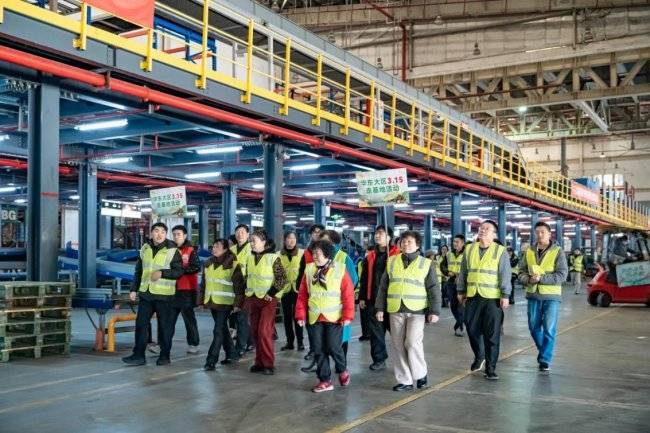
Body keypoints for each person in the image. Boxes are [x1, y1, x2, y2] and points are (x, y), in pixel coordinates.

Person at [375, 230, 441, 391]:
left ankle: (420, 374)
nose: (405, 244)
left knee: (412, 343)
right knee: (397, 345)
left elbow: (433, 288)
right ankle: (405, 380)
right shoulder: (392, 261)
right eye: (403, 241)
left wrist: (435, 311)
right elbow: (383, 287)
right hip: (395, 308)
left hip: (417, 310)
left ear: (417, 245)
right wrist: (380, 308)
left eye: (409, 241)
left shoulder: (426, 264)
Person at [295, 240, 355, 393]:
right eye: (313, 253)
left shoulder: (339, 270)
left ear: (327, 254)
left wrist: (347, 316)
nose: (314, 256)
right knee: (318, 349)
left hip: (334, 317)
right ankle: (324, 380)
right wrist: (300, 315)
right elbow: (302, 295)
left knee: (334, 347)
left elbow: (348, 294)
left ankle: (342, 369)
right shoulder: (309, 270)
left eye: (318, 253)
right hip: (315, 317)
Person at [456, 220, 511, 380]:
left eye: (487, 229)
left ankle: (490, 368)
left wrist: (505, 295)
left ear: (494, 234)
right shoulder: (469, 249)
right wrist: (461, 290)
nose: (482, 230)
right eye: (481, 228)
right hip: (473, 296)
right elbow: (463, 271)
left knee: (492, 334)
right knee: (472, 330)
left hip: (492, 299)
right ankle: (480, 355)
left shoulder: (500, 251)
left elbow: (505, 274)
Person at [123, 222, 183, 366]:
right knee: (141, 325)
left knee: (164, 327)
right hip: (146, 294)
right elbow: (139, 271)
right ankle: (138, 355)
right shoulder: (145, 248)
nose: (159, 234)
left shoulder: (173, 251)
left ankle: (164, 356)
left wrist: (162, 273)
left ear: (166, 234)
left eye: (163, 232)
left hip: (164, 296)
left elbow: (179, 272)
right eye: (156, 231)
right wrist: (133, 289)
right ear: (151, 233)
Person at [518, 222, 568, 373]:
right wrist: (529, 279)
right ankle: (544, 351)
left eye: (542, 232)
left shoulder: (557, 251)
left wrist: (541, 278)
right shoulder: (529, 251)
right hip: (533, 295)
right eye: (537, 232)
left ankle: (545, 359)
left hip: (551, 296)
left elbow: (562, 275)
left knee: (549, 328)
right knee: (533, 328)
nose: (539, 235)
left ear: (549, 234)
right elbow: (521, 272)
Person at [197, 239, 245, 370]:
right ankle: (232, 354)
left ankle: (211, 360)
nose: (214, 248)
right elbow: (204, 284)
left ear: (225, 249)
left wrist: (237, 304)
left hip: (226, 304)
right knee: (222, 329)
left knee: (217, 331)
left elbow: (239, 286)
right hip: (213, 302)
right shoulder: (208, 263)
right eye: (213, 246)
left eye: (217, 246)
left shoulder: (233, 265)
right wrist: (200, 301)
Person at [245, 229, 287, 375]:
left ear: (264, 242)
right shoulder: (249, 258)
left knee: (264, 331)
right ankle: (259, 363)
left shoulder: (273, 258)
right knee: (255, 331)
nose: (251, 243)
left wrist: (271, 293)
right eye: (250, 241)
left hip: (268, 299)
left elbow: (282, 278)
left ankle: (268, 364)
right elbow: (248, 278)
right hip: (253, 298)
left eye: (254, 241)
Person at [359, 225, 399, 371]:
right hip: (374, 301)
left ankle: (404, 359)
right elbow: (364, 278)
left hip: (393, 300)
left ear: (389, 237)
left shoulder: (398, 255)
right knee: (376, 333)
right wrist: (362, 297)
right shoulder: (370, 256)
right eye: (376, 233)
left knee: (397, 333)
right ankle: (379, 359)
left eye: (381, 233)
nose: (377, 236)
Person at [319, 229, 358, 361]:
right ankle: (323, 366)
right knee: (322, 338)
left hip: (339, 304)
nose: (322, 243)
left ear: (333, 241)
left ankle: (341, 364)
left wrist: (341, 294)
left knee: (341, 335)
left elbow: (353, 279)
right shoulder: (318, 257)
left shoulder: (343, 258)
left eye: (325, 240)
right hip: (322, 304)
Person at [297, 224, 325, 367]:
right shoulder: (306, 253)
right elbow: (301, 273)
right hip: (310, 293)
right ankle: (314, 350)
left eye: (319, 232)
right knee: (311, 324)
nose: (316, 234)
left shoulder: (329, 251)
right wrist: (299, 289)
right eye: (314, 232)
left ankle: (323, 352)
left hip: (326, 295)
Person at [170, 225, 201, 354]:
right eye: (174, 234)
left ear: (185, 236)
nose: (176, 237)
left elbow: (196, 267)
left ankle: (193, 344)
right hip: (172, 289)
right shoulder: (170, 250)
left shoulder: (191, 250)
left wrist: (179, 271)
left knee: (189, 318)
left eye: (179, 234)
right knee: (168, 319)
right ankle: (162, 344)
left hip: (187, 290)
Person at [230, 224, 254, 357]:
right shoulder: (231, 249)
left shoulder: (252, 248)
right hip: (233, 287)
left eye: (243, 232)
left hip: (246, 287)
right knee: (239, 317)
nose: (240, 234)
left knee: (241, 317)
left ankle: (240, 347)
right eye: (238, 232)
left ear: (248, 234)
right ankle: (251, 342)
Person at [279, 231, 305, 351]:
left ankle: (300, 342)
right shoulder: (278, 255)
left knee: (298, 317)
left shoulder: (302, 253)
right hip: (285, 290)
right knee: (287, 318)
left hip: (298, 290)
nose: (291, 240)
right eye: (289, 238)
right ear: (285, 240)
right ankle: (290, 342)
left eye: (293, 238)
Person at [441, 234, 466, 336]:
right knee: (453, 305)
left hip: (463, 282)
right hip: (451, 282)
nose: (455, 243)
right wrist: (447, 272)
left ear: (462, 243)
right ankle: (462, 322)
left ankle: (459, 326)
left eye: (457, 242)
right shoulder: (449, 254)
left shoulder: (467, 254)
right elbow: (442, 266)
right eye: (454, 241)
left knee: (461, 306)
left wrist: (460, 276)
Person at [356, 249, 371, 342]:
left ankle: (369, 333)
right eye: (366, 252)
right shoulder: (360, 263)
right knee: (363, 315)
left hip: (370, 292)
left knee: (370, 315)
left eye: (369, 252)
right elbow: (359, 278)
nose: (367, 254)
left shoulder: (374, 262)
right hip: (362, 291)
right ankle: (365, 333)